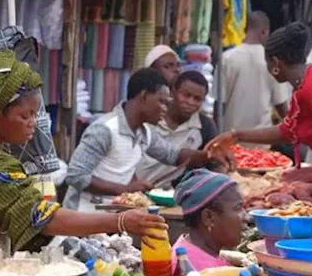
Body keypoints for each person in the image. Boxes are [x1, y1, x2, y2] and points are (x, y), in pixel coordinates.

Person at [0, 51, 167, 254]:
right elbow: (42, 218)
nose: (32, 123)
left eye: (35, 114)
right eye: (24, 115)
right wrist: (120, 221)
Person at [206, 22, 312, 226]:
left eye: (268, 64)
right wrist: (236, 136)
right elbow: (288, 131)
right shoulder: (305, 86)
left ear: (276, 63)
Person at [64, 68, 232, 212]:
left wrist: (210, 154)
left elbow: (174, 155)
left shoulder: (144, 132)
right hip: (82, 215)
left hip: (111, 216)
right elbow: (76, 176)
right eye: (161, 102)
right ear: (143, 97)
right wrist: (126, 190)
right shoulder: (105, 129)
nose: (165, 109)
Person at [171, 169, 255, 276]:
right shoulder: (193, 274)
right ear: (209, 218)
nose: (247, 217)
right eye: (238, 209)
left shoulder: (205, 251)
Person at [216, 11, 289, 149]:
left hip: (230, 139)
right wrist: (292, 129)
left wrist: (216, 135)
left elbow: (219, 104)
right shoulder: (273, 61)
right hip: (261, 141)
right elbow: (281, 104)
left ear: (245, 29)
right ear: (264, 31)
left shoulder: (227, 58)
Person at [135, 71, 221, 184]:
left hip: (170, 192)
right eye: (186, 95)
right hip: (132, 188)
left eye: (197, 99)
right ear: (173, 92)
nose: (190, 102)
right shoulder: (150, 116)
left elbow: (213, 163)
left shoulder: (205, 126)